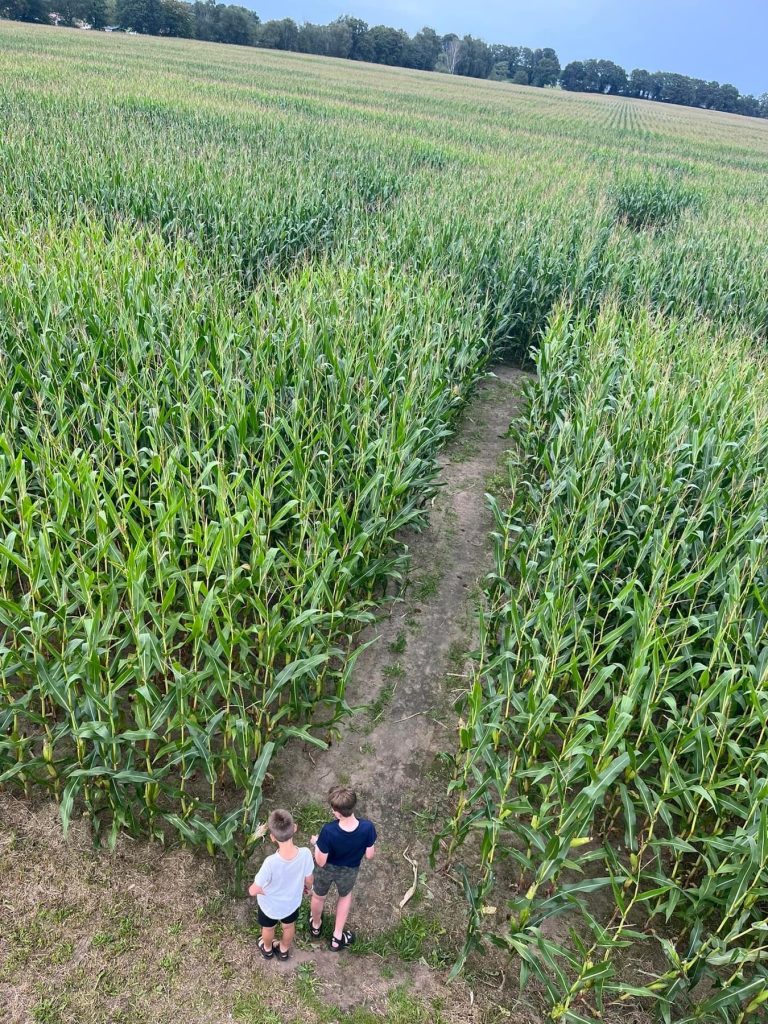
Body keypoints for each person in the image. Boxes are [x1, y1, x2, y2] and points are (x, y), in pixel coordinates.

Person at [309, 786, 377, 951]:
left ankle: (316, 926)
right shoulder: (367, 828)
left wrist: (317, 843)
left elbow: (321, 861)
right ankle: (337, 937)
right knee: (345, 897)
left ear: (337, 812)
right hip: (349, 870)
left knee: (318, 897)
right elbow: (369, 855)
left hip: (326, 870)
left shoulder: (329, 831)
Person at [248, 808, 314, 961]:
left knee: (268, 928)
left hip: (269, 907)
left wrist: (264, 891)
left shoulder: (270, 863)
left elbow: (253, 890)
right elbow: (309, 879)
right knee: (288, 926)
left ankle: (268, 948)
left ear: (272, 837)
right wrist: (308, 889)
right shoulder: (305, 854)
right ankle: (283, 950)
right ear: (295, 828)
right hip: (291, 904)